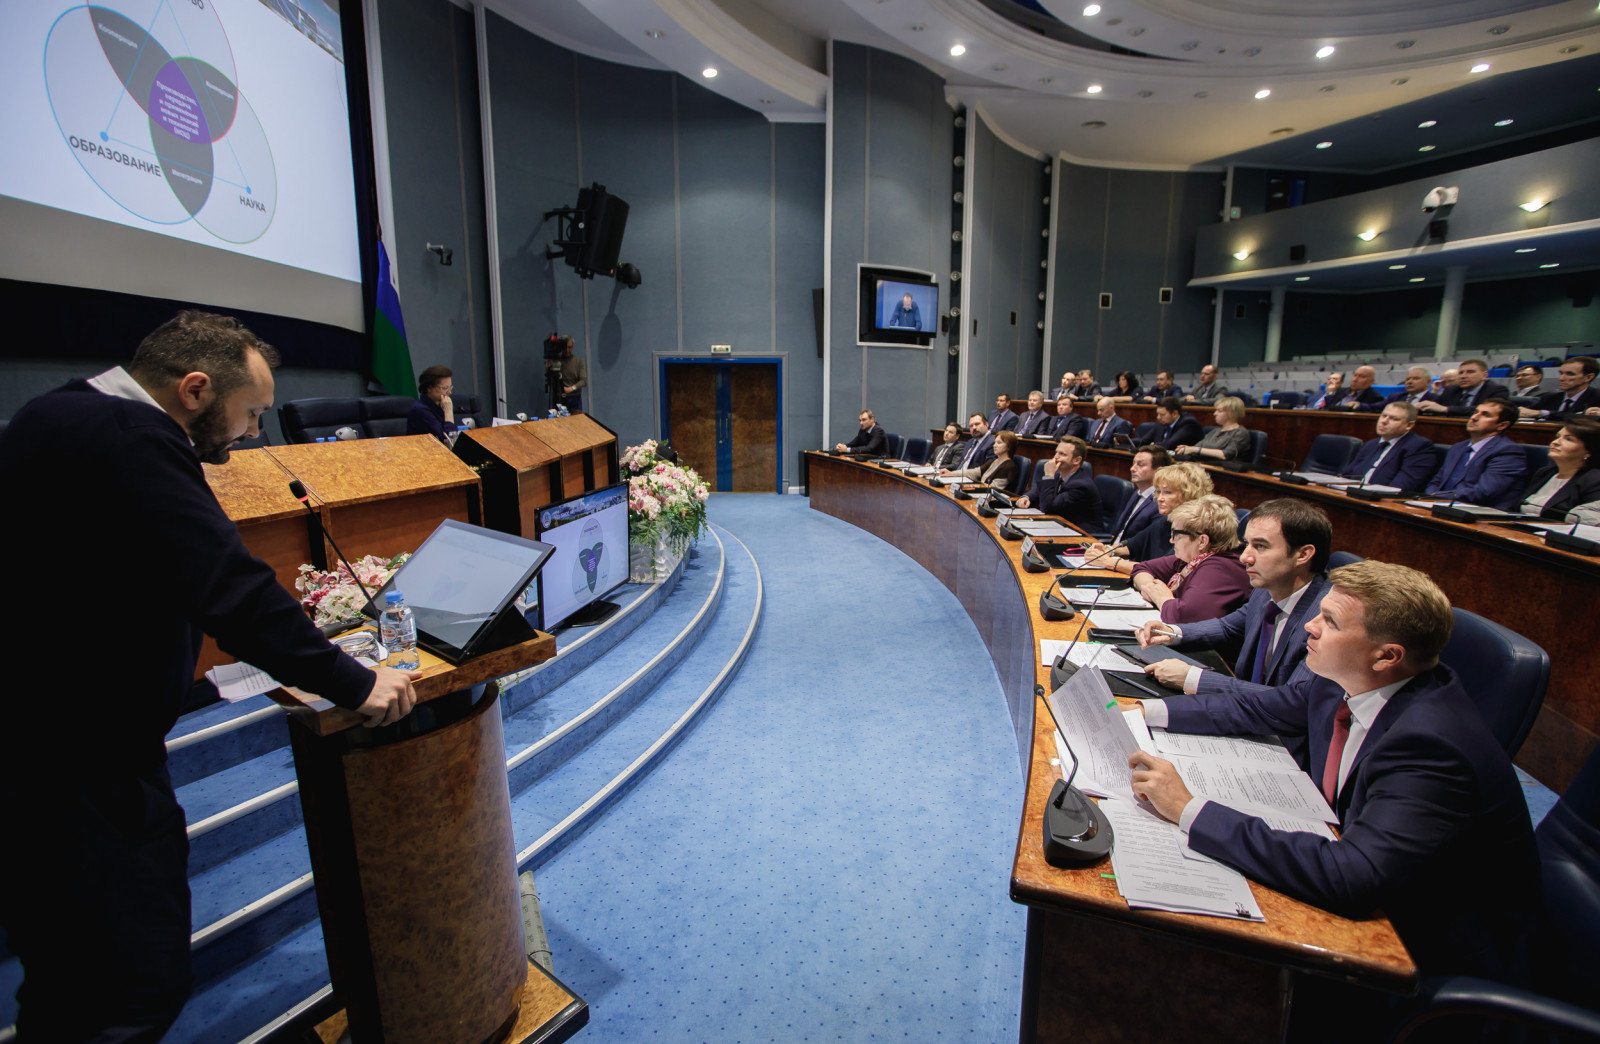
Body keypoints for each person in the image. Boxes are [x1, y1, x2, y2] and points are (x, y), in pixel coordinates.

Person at [0, 311, 421, 1042]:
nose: (253, 433)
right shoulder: (134, 438)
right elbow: (228, 589)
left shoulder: (55, 412)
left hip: (39, 741)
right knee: (128, 988)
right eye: (250, 413)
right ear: (195, 389)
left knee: (66, 975)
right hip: (80, 763)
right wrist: (353, 683)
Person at [1130, 561, 1540, 981]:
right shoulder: (1342, 677)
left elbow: (1352, 877)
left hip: (1425, 952)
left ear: (1387, 656)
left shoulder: (1431, 746)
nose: (1310, 626)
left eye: (1330, 621)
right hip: (1357, 866)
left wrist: (1188, 808)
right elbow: (1257, 708)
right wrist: (1145, 712)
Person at [1137, 498, 1333, 706]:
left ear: (1302, 554)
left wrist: (1194, 679)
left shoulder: (1326, 619)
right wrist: (1172, 632)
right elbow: (1228, 627)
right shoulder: (1266, 589)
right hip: (1244, 706)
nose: (1244, 558)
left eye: (1260, 546)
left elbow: (1294, 701)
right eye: (1247, 544)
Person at [1128, 494, 1252, 624]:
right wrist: (1149, 588)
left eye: (1176, 534)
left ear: (1202, 541)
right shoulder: (1194, 557)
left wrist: (1161, 597)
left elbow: (1182, 616)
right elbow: (1142, 568)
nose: (1171, 540)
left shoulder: (1220, 569)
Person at [1083, 462, 1214, 571]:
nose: (1160, 498)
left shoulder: (1194, 528)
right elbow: (1132, 545)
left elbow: (1163, 568)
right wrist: (1108, 550)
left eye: (1168, 492)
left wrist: (1109, 562)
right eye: (1159, 492)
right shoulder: (1167, 519)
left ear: (1189, 495)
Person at [1425, 399, 1528, 510]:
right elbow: (1436, 482)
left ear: (1502, 425)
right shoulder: (1458, 447)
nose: (1474, 417)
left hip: (1480, 512)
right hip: (1441, 506)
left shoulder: (1508, 451)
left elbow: (1484, 492)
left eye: (1485, 415)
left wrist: (1437, 496)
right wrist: (1430, 496)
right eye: (1475, 412)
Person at [1340, 402, 1443, 490]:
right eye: (1383, 416)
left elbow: (1401, 487)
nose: (1384, 421)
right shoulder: (1370, 444)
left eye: (1394, 419)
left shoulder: (1419, 447)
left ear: (1409, 425)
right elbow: (1347, 476)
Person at [1518, 418, 1600, 525]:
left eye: (1569, 439)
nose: (1555, 442)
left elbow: (1588, 523)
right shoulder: (1545, 473)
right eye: (1558, 437)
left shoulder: (1594, 481)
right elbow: (1516, 509)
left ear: (1588, 451)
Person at [1021, 436, 1103, 531]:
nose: (1056, 457)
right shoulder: (1058, 475)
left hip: (1081, 533)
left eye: (1062, 454)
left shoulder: (1081, 485)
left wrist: (1048, 475)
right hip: (1060, 525)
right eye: (1056, 452)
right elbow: (1039, 490)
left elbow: (1048, 509)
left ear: (1076, 460)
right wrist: (1026, 497)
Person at [1101, 444, 1170, 546]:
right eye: (1133, 463)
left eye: (1140, 465)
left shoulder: (1160, 503)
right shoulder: (1136, 494)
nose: (1132, 469)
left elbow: (1147, 544)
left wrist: (1113, 551)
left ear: (1159, 471)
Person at [1520, 356, 1600, 421]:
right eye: (1561, 373)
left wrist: (1542, 413)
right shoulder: (1550, 398)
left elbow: (1578, 417)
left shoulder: (1597, 397)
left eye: (1570, 374)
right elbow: (1528, 412)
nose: (1561, 378)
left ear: (1588, 377)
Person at [1174, 396, 1251, 462]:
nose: (1215, 413)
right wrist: (1187, 448)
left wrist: (1196, 450)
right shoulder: (1215, 431)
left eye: (1219, 411)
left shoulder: (1240, 433)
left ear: (1232, 413)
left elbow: (1225, 455)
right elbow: (1197, 447)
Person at [1419, 358, 1507, 416]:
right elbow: (1434, 406)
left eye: (1470, 372)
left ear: (1484, 375)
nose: (1463, 376)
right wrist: (1421, 406)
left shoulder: (1496, 390)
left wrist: (1446, 409)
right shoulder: (1451, 390)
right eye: (1461, 373)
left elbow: (1488, 411)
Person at [947, 429, 1020, 492]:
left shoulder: (1009, 466)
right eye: (995, 442)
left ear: (1009, 446)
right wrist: (951, 473)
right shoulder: (993, 461)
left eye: (999, 443)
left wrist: (972, 486)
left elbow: (994, 488)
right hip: (981, 493)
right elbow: (975, 472)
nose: (994, 445)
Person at [407, 364, 455, 444]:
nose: (449, 392)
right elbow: (447, 440)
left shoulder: (441, 404)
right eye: (445, 388)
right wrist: (448, 412)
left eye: (450, 387)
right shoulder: (420, 410)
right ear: (429, 388)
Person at [544, 333, 587, 412]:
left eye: (570, 347)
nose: (567, 350)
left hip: (574, 398)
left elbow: (584, 381)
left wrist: (571, 388)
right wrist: (548, 369)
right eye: (565, 347)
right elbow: (551, 381)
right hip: (559, 398)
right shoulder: (555, 361)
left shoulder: (578, 361)